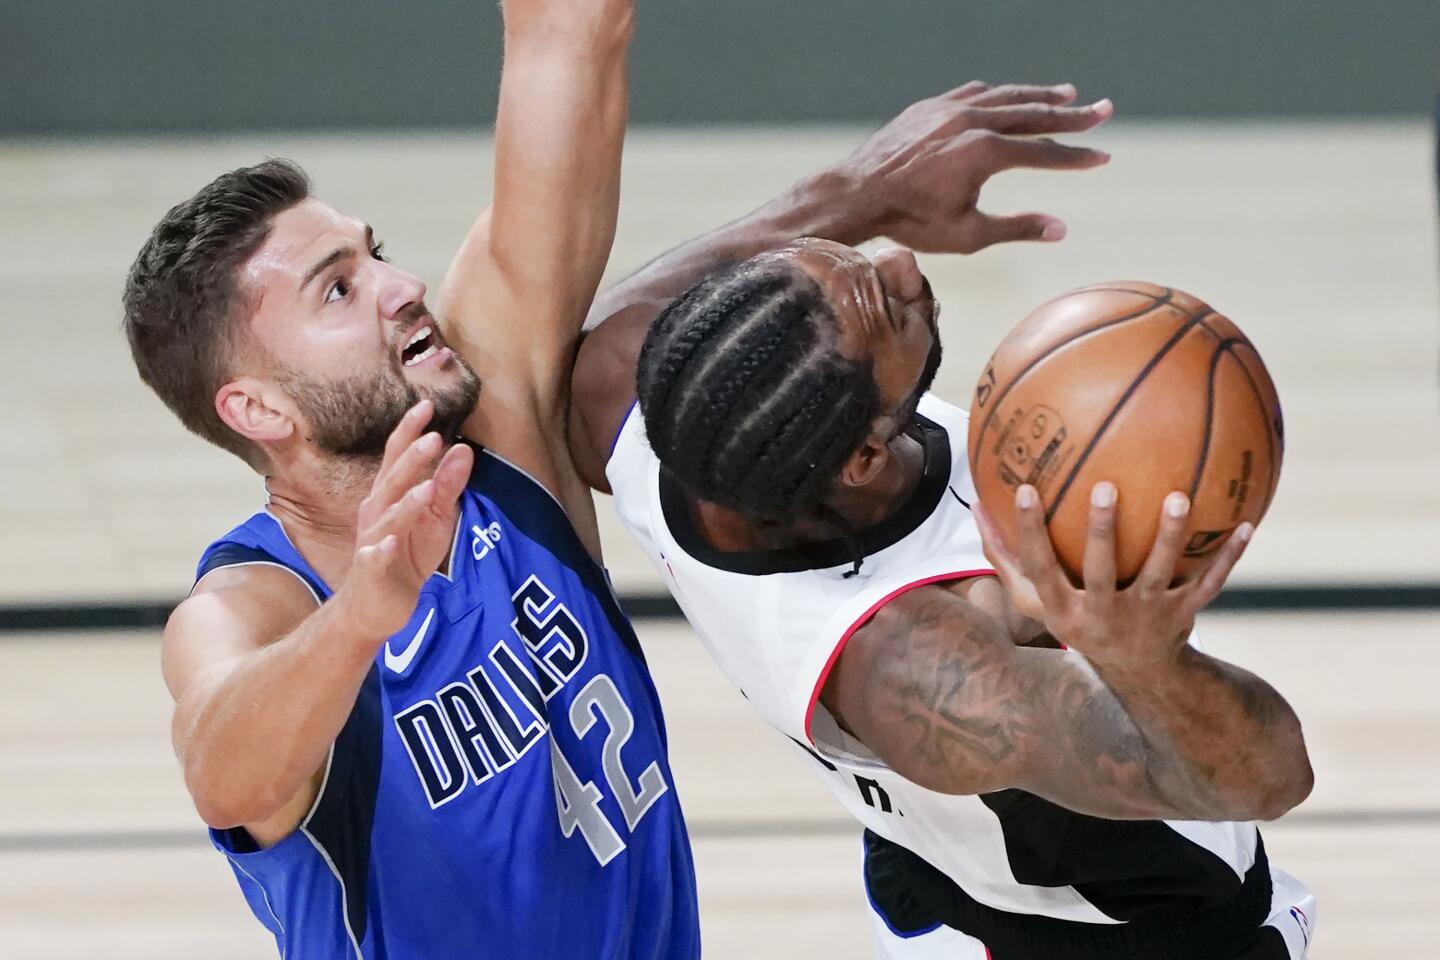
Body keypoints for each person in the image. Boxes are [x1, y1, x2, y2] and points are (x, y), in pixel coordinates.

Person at [569, 83, 1318, 959]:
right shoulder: (922, 674)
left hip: (937, 887)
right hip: (1123, 931)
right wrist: (1140, 656)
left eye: (845, 256)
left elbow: (605, 332)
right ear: (859, 461)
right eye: (884, 304)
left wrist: (859, 192)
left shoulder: (648, 406)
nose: (900, 264)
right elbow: (1266, 778)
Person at [122, 1, 699, 957]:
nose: (403, 287)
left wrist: (856, 194)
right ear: (260, 411)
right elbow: (222, 772)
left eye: (374, 254)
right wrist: (359, 616)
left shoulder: (500, 440)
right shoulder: (252, 609)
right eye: (338, 289)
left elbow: (569, 34)